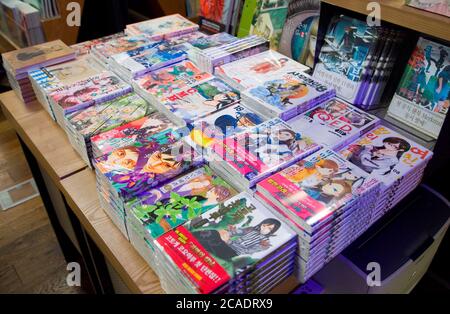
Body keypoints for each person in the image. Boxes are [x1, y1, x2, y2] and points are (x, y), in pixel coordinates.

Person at [190, 218, 281, 261]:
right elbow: (237, 231)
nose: (264, 228)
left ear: (272, 231)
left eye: (269, 228)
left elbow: (247, 251)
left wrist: (228, 241)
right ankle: (188, 236)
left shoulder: (265, 243)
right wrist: (224, 233)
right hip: (225, 244)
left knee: (211, 242)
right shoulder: (251, 229)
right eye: (264, 225)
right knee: (213, 233)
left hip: (230, 251)